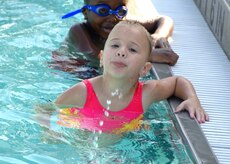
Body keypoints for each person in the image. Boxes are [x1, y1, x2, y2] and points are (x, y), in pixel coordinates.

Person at [54, 20, 209, 134]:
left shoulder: (146, 94)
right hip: (83, 142)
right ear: (101, 58)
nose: (121, 52)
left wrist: (192, 98)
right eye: (115, 45)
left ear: (144, 68)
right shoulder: (84, 92)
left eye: (132, 49)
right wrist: (50, 131)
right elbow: (47, 109)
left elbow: (177, 82)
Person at [50, 0, 179, 78]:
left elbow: (164, 20)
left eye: (120, 11)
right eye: (103, 10)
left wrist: (158, 35)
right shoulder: (78, 31)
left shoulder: (122, 24)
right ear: (85, 12)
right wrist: (149, 55)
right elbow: (98, 57)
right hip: (76, 73)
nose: (113, 18)